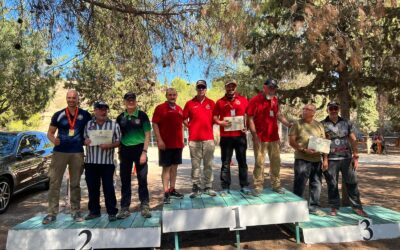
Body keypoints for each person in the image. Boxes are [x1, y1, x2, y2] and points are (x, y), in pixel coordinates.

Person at [42, 89, 92, 224]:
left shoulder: (85, 114)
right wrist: (53, 140)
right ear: (66, 99)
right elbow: (50, 133)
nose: (71, 100)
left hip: (77, 152)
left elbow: (92, 129)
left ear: (77, 99)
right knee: (54, 182)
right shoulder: (58, 115)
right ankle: (52, 213)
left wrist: (88, 139)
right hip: (60, 152)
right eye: (69, 97)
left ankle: (75, 211)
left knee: (75, 184)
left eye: (74, 98)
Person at [321, 101, 368, 217]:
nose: (333, 110)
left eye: (335, 108)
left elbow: (353, 139)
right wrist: (325, 159)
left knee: (352, 183)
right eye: (331, 108)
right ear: (327, 110)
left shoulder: (347, 122)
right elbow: (323, 143)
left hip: (347, 158)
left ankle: (357, 207)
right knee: (332, 184)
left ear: (338, 109)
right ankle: (334, 207)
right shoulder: (322, 124)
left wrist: (356, 155)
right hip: (331, 159)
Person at [247, 79, 292, 195]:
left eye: (274, 88)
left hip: (273, 137)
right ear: (264, 87)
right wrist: (254, 135)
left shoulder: (274, 100)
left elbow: (278, 114)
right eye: (270, 87)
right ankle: (258, 186)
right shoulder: (254, 100)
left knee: (276, 162)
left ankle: (276, 185)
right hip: (260, 138)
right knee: (259, 163)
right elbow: (250, 118)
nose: (272, 90)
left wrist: (288, 124)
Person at [83, 101, 121, 222]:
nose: (103, 112)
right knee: (92, 188)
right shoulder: (88, 124)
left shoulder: (114, 125)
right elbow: (83, 138)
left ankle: (111, 212)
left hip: (107, 163)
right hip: (90, 162)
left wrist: (109, 145)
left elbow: (119, 141)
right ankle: (94, 212)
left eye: (105, 109)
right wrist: (85, 141)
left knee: (108, 188)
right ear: (95, 110)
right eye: (100, 109)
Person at [116, 92, 152, 219]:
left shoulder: (142, 115)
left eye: (133, 99)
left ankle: (145, 206)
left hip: (140, 149)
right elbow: (118, 136)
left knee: (142, 179)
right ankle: (124, 208)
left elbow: (148, 134)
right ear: (125, 102)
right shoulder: (120, 118)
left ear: (136, 101)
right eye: (128, 100)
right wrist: (119, 152)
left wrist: (144, 152)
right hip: (125, 151)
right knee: (125, 180)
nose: (131, 102)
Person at [213, 79, 250, 195]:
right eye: (228, 86)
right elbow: (214, 117)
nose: (231, 88)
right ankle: (225, 187)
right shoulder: (219, 102)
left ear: (236, 87)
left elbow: (248, 115)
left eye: (233, 86)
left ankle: (244, 186)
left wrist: (247, 126)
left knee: (242, 162)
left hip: (240, 136)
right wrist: (220, 123)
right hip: (226, 137)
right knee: (225, 163)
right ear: (225, 88)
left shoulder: (243, 100)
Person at [289, 104, 326, 216]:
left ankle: (314, 207)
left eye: (308, 109)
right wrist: (304, 149)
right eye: (304, 109)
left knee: (316, 184)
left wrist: (325, 159)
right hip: (302, 159)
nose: (304, 111)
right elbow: (291, 141)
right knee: (299, 184)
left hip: (316, 160)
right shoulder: (297, 124)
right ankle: (296, 209)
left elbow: (323, 142)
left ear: (313, 112)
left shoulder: (319, 125)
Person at [183, 80, 217, 198]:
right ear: (196, 89)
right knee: (195, 165)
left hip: (208, 139)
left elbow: (216, 118)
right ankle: (196, 187)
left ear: (206, 89)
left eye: (203, 87)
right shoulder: (189, 103)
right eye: (199, 87)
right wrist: (190, 127)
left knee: (208, 164)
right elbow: (184, 119)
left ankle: (208, 186)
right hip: (194, 140)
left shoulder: (211, 103)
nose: (201, 89)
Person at [152, 88, 185, 204]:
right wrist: (159, 140)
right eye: (170, 95)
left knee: (174, 168)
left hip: (177, 144)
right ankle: (166, 192)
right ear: (166, 96)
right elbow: (155, 124)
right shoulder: (160, 108)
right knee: (166, 169)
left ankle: (172, 189)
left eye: (174, 94)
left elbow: (181, 125)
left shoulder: (180, 109)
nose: (172, 96)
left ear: (177, 96)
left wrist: (182, 140)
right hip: (165, 145)